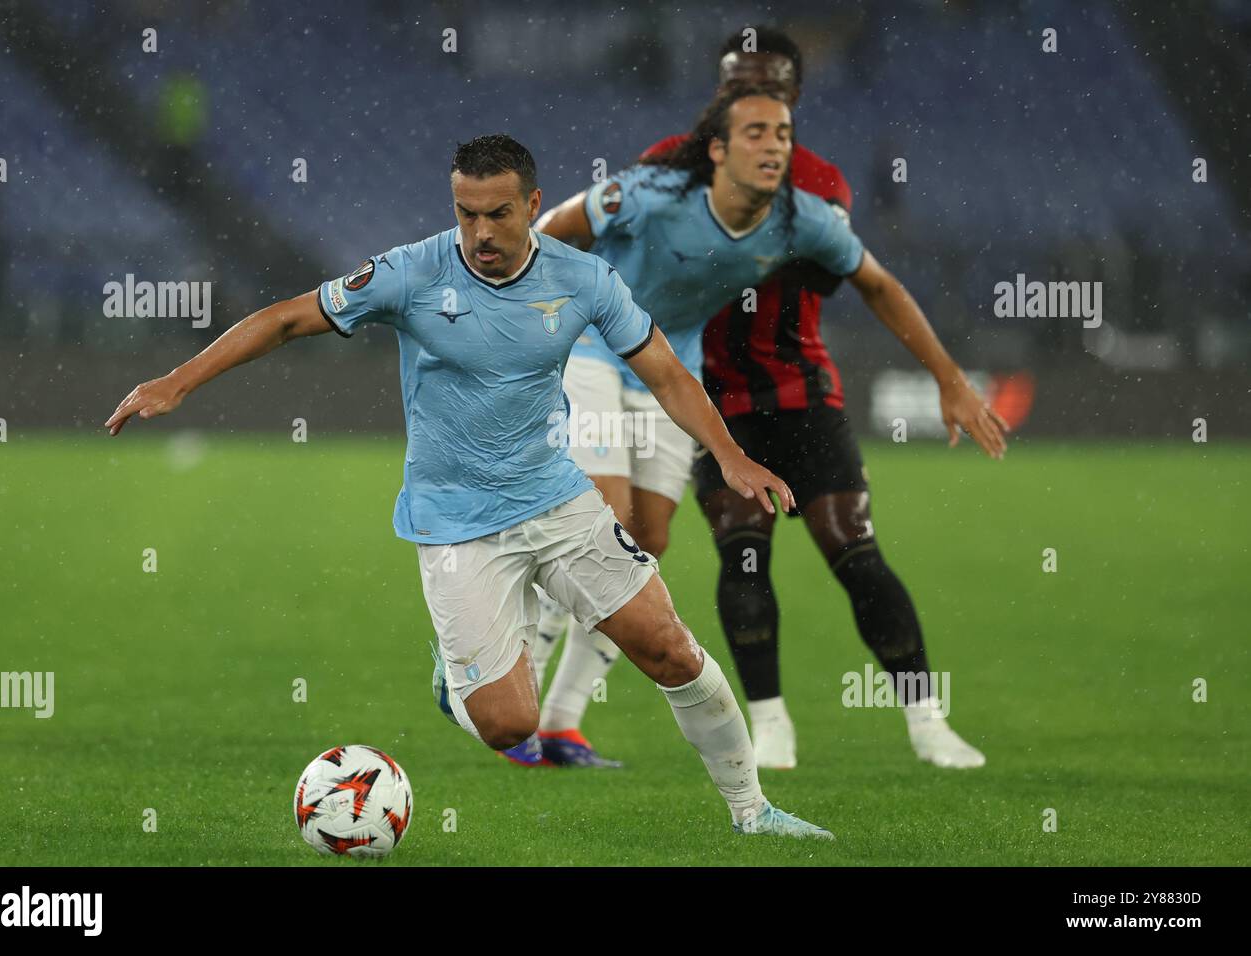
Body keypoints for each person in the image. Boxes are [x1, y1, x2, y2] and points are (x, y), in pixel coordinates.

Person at [104, 133, 834, 840]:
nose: (480, 231)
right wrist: (177, 380)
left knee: (671, 650)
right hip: (455, 523)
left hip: (557, 500)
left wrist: (730, 456)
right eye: (466, 213)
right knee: (510, 726)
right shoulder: (411, 272)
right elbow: (289, 318)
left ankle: (754, 813)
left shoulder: (583, 279)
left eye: (498, 213)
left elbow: (668, 375)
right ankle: (455, 681)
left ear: (534, 204)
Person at [531, 37, 1007, 771]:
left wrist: (948, 376)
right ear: (716, 135)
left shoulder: (809, 201)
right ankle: (513, 652)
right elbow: (558, 230)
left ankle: (561, 722)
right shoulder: (662, 178)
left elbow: (865, 282)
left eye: (776, 116)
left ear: (794, 100)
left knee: (652, 544)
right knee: (620, 527)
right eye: (748, 114)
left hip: (711, 375)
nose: (768, 136)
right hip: (611, 353)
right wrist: (512, 324)